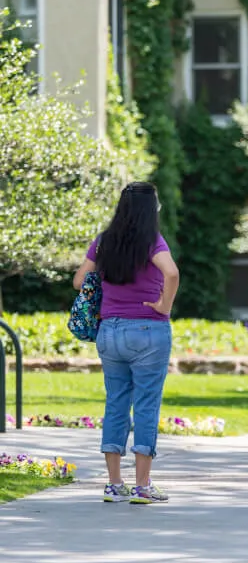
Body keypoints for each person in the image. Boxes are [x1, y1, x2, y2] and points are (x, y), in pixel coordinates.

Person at [74, 182, 179, 505]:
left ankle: (114, 483)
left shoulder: (104, 242)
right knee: (146, 403)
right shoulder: (152, 241)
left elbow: (80, 281)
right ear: (151, 209)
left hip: (109, 331)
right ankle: (143, 486)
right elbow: (171, 273)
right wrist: (164, 305)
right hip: (148, 330)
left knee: (116, 402)